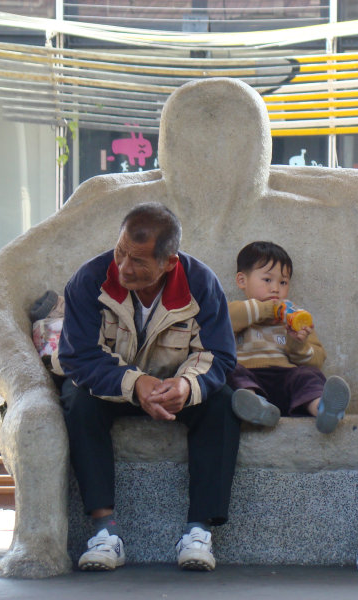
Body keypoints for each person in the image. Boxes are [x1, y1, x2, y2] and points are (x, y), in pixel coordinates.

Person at [53, 202, 239, 572]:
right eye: (121, 252)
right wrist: (136, 383)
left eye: (138, 261)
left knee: (223, 403)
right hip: (114, 387)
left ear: (169, 262)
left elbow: (219, 355)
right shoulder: (88, 280)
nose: (124, 267)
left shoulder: (201, 283)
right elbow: (79, 356)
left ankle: (198, 532)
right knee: (77, 399)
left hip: (174, 387)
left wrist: (185, 387)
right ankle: (105, 532)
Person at [227, 241, 349, 433]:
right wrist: (270, 309)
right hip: (250, 381)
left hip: (285, 381)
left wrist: (297, 344)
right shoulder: (238, 310)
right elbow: (227, 319)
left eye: (283, 282)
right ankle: (254, 406)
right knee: (229, 370)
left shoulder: (297, 317)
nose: (275, 289)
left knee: (309, 375)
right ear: (242, 281)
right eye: (267, 280)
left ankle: (323, 410)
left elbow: (317, 359)